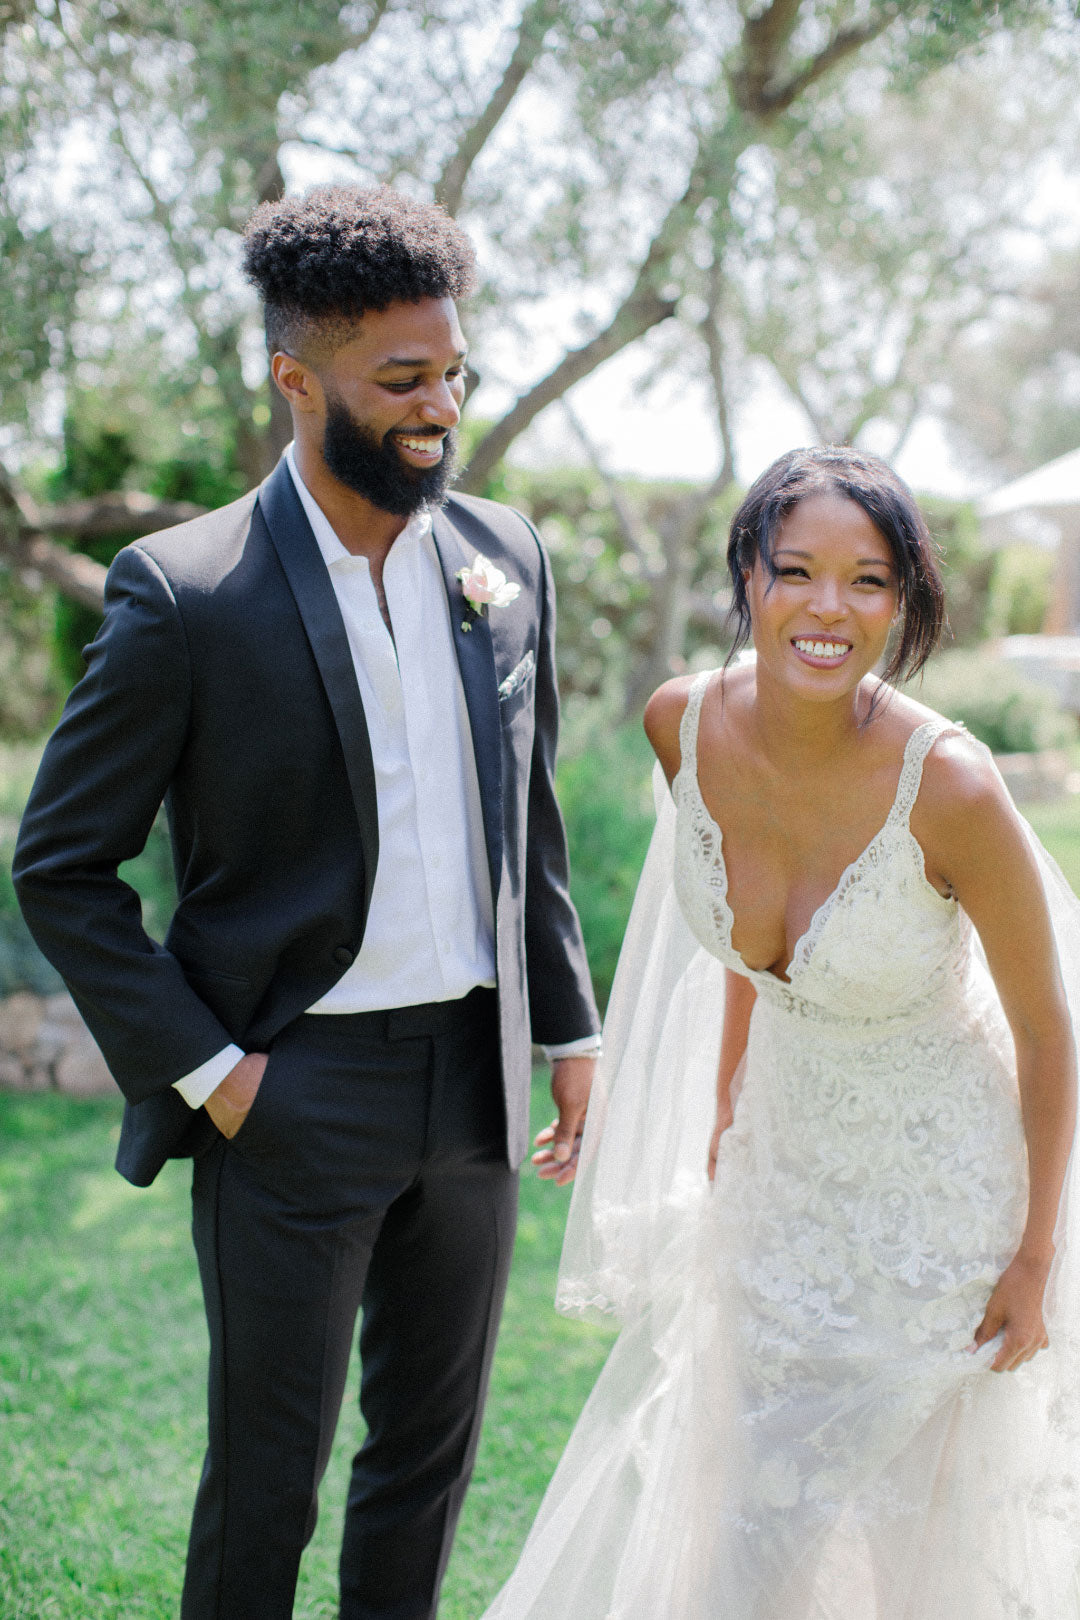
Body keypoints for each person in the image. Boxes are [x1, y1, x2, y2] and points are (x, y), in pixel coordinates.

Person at [12, 184, 600, 1620]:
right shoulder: (187, 591)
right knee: (268, 1476)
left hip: (474, 1081)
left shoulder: (504, 556)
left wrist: (566, 1029)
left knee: (429, 1461)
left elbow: (524, 813)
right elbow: (61, 866)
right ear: (296, 377)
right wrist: (216, 1076)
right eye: (401, 379)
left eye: (452, 372)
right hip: (290, 1094)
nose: (438, 407)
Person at [481, 445, 1080, 1618]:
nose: (827, 607)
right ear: (746, 577)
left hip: (945, 1219)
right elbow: (757, 951)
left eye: (868, 582)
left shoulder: (949, 784)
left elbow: (1052, 1031)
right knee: (755, 1527)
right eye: (795, 568)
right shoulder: (680, 726)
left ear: (905, 604)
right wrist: (721, 1110)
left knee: (925, 1558)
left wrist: (1034, 1259)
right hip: (777, 1184)